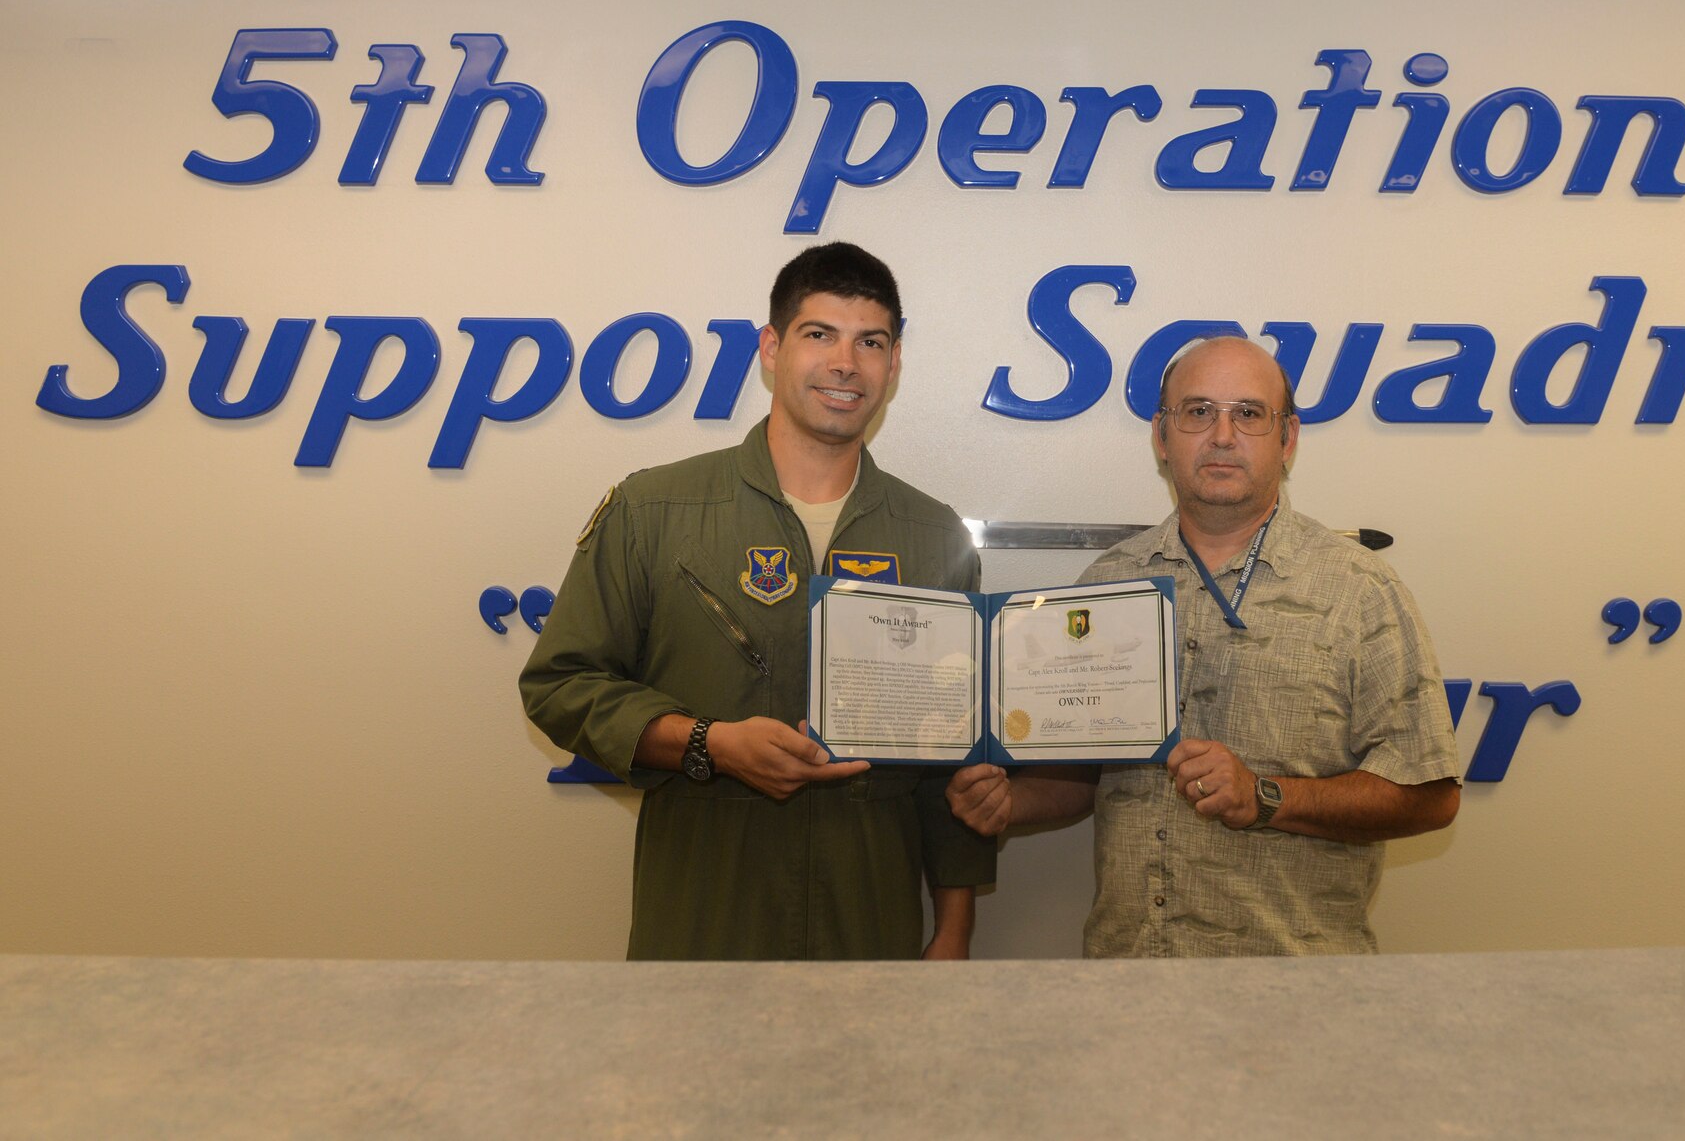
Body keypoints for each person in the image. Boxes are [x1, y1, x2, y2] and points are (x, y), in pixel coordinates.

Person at [522, 242, 993, 960]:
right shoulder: (656, 508)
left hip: (870, 922)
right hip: (703, 916)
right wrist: (709, 743)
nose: (846, 362)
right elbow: (560, 686)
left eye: (871, 342)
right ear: (772, 349)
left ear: (893, 365)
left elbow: (953, 761)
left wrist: (953, 930)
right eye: (819, 334)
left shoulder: (935, 537)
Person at [948, 335, 1459, 956]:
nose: (1222, 435)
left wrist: (1266, 797)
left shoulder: (1360, 591)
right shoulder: (1108, 585)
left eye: (1248, 413)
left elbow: (1431, 796)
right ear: (1162, 438)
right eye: (1197, 412)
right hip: (1131, 980)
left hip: (1297, 995)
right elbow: (1087, 776)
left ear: (1287, 438)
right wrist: (1010, 802)